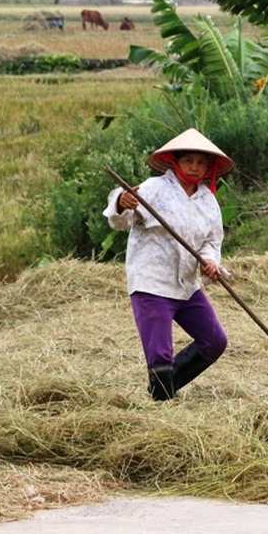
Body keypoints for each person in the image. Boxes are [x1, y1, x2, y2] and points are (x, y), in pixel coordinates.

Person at [103, 129, 235, 401]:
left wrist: (210, 262)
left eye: (201, 163)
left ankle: (160, 391)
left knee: (215, 341)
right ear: (176, 162)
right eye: (189, 161)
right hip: (152, 282)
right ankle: (162, 405)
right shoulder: (154, 188)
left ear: (208, 168)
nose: (195, 167)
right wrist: (120, 200)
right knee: (160, 359)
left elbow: (211, 241)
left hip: (186, 285)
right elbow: (121, 220)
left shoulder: (208, 202)